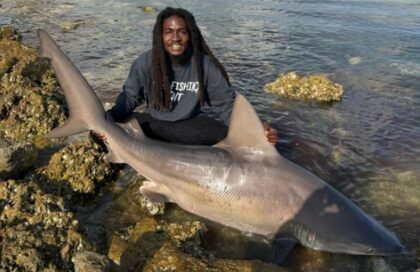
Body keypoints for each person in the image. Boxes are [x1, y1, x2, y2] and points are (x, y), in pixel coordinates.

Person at [92, 7, 277, 145]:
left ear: (191, 36)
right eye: (169, 32)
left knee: (232, 139)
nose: (175, 38)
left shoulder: (204, 65)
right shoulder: (145, 62)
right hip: (154, 125)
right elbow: (129, 99)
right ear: (160, 36)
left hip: (190, 127)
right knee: (105, 133)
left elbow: (227, 105)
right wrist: (107, 120)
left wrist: (257, 132)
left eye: (182, 31)